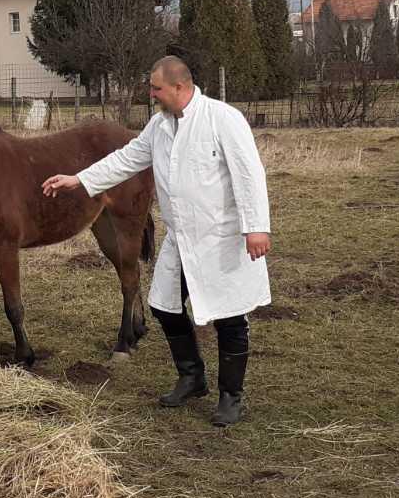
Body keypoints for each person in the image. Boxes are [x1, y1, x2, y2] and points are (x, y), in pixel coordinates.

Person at [42, 57, 271, 426]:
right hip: (181, 238)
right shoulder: (160, 125)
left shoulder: (222, 119)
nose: (151, 94)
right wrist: (79, 180)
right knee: (164, 306)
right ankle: (192, 377)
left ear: (179, 87)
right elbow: (127, 159)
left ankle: (232, 396)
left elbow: (249, 173)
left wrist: (257, 227)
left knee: (229, 314)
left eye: (155, 88)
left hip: (221, 236)